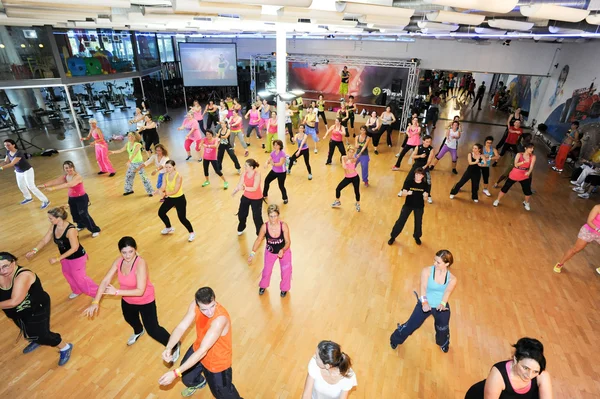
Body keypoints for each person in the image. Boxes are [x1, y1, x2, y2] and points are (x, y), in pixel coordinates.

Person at [82, 237, 180, 359]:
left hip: (145, 301)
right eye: (124, 252)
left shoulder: (140, 264)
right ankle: (138, 331)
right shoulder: (118, 261)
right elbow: (105, 281)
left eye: (131, 252)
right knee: (130, 319)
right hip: (128, 300)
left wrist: (116, 292)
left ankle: (174, 345)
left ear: (135, 250)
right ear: (120, 252)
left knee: (153, 330)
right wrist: (95, 301)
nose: (128, 256)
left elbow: (140, 291)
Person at [158, 287, 242, 398]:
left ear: (215, 300)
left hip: (217, 362)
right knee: (187, 378)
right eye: (204, 309)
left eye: (212, 306)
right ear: (198, 305)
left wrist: (174, 373)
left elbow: (203, 351)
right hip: (198, 349)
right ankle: (200, 382)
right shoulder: (195, 305)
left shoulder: (219, 320)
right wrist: (168, 347)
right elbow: (181, 327)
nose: (210, 312)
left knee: (223, 394)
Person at [0, 252, 73, 366]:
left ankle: (65, 347)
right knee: (26, 329)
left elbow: (15, 301)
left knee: (43, 335)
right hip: (17, 313)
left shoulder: (23, 276)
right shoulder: (2, 273)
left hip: (36, 309)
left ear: (13, 262)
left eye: (5, 266)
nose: (2, 271)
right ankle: (36, 340)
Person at [390, 249, 457, 352]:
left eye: (438, 262)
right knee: (411, 325)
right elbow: (423, 287)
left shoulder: (452, 279)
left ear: (446, 264)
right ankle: (395, 339)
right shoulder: (427, 271)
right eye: (434, 260)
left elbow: (447, 292)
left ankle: (443, 343)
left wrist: (443, 304)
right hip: (425, 303)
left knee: (442, 328)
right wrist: (424, 303)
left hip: (440, 306)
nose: (434, 263)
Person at [25, 206, 99, 299]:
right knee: (67, 274)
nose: (49, 220)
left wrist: (57, 259)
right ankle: (77, 290)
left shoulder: (71, 230)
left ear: (59, 218)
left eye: (50, 218)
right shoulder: (54, 226)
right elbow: (44, 240)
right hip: (65, 256)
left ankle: (96, 293)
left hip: (77, 257)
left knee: (80, 278)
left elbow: (74, 248)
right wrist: (34, 250)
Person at [464, 337, 552, 399]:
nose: (529, 375)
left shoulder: (542, 376)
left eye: (535, 371)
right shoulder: (497, 376)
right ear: (515, 359)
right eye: (525, 368)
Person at [39, 160, 101, 236]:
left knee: (84, 214)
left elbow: (69, 184)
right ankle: (81, 225)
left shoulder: (77, 177)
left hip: (81, 198)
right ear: (64, 169)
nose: (68, 169)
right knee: (74, 213)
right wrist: (45, 185)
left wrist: (52, 189)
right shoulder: (66, 176)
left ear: (73, 167)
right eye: (66, 168)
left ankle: (95, 230)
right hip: (72, 198)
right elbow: (56, 181)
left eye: (70, 167)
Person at [248, 204, 292, 297]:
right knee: (267, 270)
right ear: (268, 216)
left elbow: (288, 242)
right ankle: (263, 285)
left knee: (286, 270)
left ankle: (284, 289)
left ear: (278, 215)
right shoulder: (265, 227)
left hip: (284, 251)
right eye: (271, 216)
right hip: (270, 252)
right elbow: (259, 240)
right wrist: (252, 254)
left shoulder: (283, 226)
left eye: (275, 216)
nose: (273, 219)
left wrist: (283, 250)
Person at [1, 139, 50, 209]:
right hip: (18, 172)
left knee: (31, 187)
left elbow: (12, 163)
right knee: (21, 186)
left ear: (13, 145)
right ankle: (28, 198)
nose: (6, 147)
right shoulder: (8, 152)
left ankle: (45, 201)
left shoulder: (19, 153)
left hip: (27, 171)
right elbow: (6, 161)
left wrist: (1, 168)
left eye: (8, 145)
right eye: (5, 145)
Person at [154, 160, 195, 242]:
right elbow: (163, 186)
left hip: (179, 199)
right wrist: (158, 191)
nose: (168, 169)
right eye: (166, 167)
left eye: (169, 167)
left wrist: (164, 194)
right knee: (161, 213)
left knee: (182, 218)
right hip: (171, 199)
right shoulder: (165, 175)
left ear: (174, 167)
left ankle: (192, 233)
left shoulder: (178, 176)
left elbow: (175, 191)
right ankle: (169, 228)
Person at [553, 204, 600, 275]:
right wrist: (598, 230)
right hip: (589, 231)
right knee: (576, 249)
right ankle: (560, 264)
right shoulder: (597, 207)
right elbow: (589, 221)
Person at [388, 167, 430, 246]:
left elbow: (426, 198)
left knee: (418, 222)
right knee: (401, 221)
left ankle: (417, 236)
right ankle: (393, 236)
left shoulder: (425, 185)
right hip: (408, 205)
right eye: (416, 174)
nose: (417, 176)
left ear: (423, 176)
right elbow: (403, 193)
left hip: (419, 206)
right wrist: (407, 193)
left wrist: (425, 196)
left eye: (419, 175)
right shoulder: (409, 182)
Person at [109, 132, 154, 196]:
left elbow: (134, 154)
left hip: (139, 163)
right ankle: (128, 190)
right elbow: (121, 150)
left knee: (144, 178)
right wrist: (113, 152)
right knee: (128, 177)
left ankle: (151, 191)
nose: (129, 137)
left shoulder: (138, 144)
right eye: (129, 136)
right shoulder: (127, 144)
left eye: (131, 136)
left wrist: (129, 161)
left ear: (135, 137)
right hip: (132, 163)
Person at [493, 143, 536, 211]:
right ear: (525, 148)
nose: (532, 149)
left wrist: (529, 172)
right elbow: (516, 165)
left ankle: (526, 202)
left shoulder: (533, 156)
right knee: (505, 187)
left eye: (533, 148)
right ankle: (497, 200)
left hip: (524, 175)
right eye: (530, 148)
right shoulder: (519, 154)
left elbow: (531, 166)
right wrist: (524, 162)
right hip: (515, 174)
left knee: (527, 191)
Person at [400, 135, 436, 204]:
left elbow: (429, 160)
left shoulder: (431, 149)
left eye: (429, 142)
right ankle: (403, 190)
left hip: (425, 166)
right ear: (423, 141)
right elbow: (413, 156)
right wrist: (420, 156)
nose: (428, 143)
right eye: (427, 141)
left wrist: (424, 167)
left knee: (428, 181)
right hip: (417, 165)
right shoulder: (418, 147)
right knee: (409, 178)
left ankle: (428, 195)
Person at [234, 159, 264, 236]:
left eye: (246, 166)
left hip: (257, 198)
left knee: (257, 217)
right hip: (246, 196)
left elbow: (254, 188)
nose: (244, 167)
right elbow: (240, 184)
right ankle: (242, 227)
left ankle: (260, 232)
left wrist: (244, 188)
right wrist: (235, 190)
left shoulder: (257, 174)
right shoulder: (244, 173)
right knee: (241, 214)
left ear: (251, 167)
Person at [331, 146, 361, 212]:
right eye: (350, 152)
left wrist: (348, 161)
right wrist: (346, 162)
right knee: (338, 188)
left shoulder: (354, 159)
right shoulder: (343, 157)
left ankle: (358, 204)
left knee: (356, 191)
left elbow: (346, 165)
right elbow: (344, 166)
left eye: (352, 152)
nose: (351, 154)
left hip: (355, 177)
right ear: (347, 151)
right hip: (347, 178)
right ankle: (337, 201)